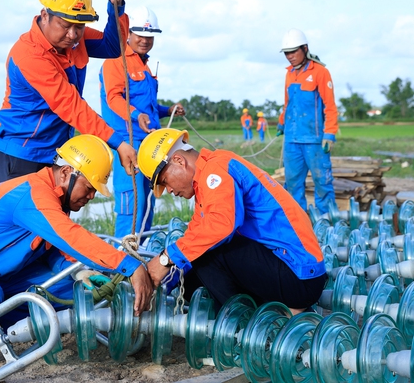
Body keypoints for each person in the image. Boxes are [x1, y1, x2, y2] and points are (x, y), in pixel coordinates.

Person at [0, 135, 153, 348]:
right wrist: (130, 265)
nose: (91, 196)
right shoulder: (33, 194)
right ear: (66, 173)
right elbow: (71, 237)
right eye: (90, 187)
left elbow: (52, 251)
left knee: (73, 290)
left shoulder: (55, 201)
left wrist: (77, 273)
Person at [138, 128, 326, 314]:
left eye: (165, 181)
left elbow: (220, 226)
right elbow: (194, 236)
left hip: (300, 276)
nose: (169, 190)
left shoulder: (216, 170)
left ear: (179, 161)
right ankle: (266, 313)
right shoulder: (204, 186)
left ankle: (241, 325)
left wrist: (166, 259)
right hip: (283, 269)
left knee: (207, 251)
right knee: (187, 276)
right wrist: (165, 278)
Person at [0, 0, 138, 185]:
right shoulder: (29, 55)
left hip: (56, 155)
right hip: (21, 156)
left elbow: (113, 47)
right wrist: (118, 143)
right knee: (24, 218)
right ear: (44, 15)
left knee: (56, 218)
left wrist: (116, 7)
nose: (72, 34)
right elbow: (71, 105)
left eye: (79, 26)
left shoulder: (75, 40)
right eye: (65, 25)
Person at [99, 6, 185, 238]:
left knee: (148, 199)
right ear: (128, 33)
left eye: (150, 36)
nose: (145, 40)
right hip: (128, 142)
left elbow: (148, 108)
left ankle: (143, 254)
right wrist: (137, 116)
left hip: (150, 144)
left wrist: (168, 110)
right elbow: (113, 98)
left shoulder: (144, 65)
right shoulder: (115, 61)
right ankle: (123, 255)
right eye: (140, 35)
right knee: (131, 200)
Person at [276, 28, 338, 217]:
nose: (289, 56)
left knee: (322, 182)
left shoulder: (320, 72)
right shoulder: (289, 74)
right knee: (292, 183)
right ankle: (299, 224)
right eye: (287, 53)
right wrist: (281, 123)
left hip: (314, 141)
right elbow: (288, 104)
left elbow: (330, 106)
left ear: (305, 48)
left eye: (293, 51)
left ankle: (327, 223)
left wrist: (330, 133)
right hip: (292, 140)